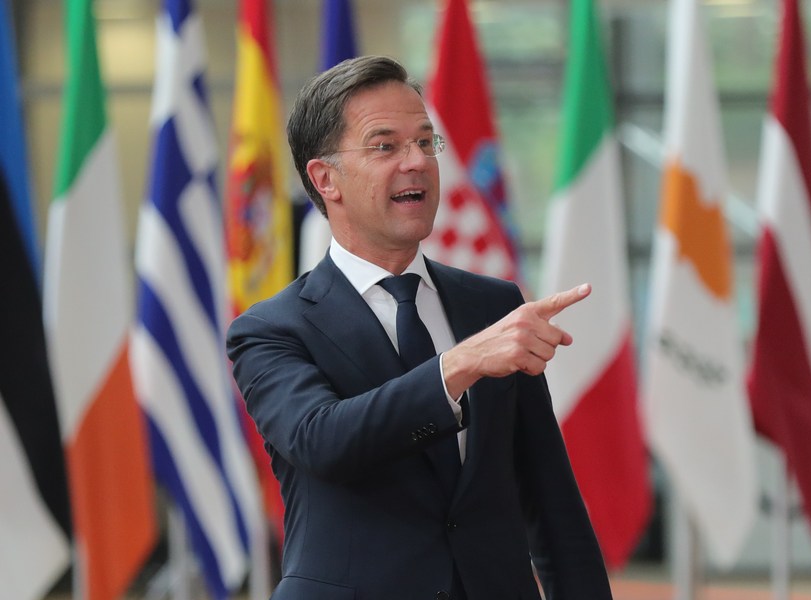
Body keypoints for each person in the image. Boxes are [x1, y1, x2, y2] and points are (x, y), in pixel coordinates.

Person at [227, 55, 613, 600]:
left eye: (426, 142)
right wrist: (458, 366)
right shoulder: (270, 329)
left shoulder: (494, 305)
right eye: (385, 146)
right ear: (325, 179)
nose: (417, 162)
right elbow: (323, 441)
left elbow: (552, 503)